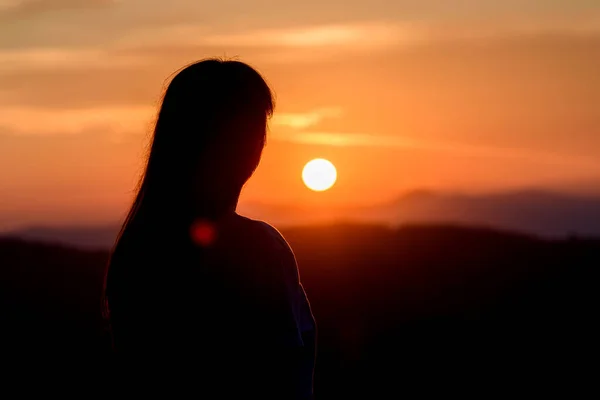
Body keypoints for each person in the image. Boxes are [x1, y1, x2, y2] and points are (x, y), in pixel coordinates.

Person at [103, 59, 316, 398]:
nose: (258, 143)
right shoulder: (258, 249)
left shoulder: (138, 247)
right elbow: (283, 378)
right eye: (252, 128)